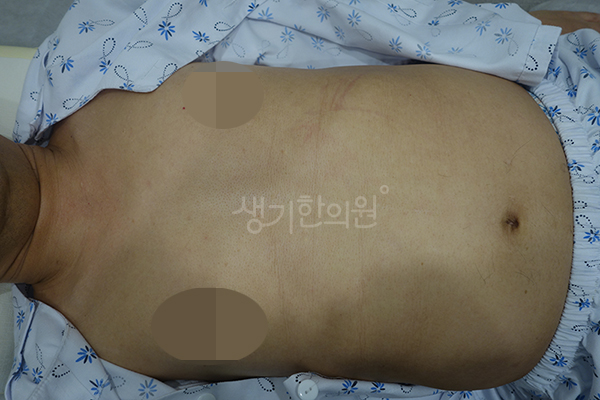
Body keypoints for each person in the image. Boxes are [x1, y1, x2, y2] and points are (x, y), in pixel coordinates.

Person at [3, 1, 600, 399]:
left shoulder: (94, 52)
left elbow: (324, 11)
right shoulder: (67, 379)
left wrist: (534, 38)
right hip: (573, 355)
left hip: (577, 115)